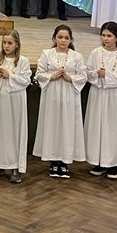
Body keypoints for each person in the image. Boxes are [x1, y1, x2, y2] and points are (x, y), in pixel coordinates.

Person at [32, 24, 86, 179]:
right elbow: (39, 73)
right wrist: (52, 76)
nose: (63, 40)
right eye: (60, 37)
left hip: (69, 96)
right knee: (52, 126)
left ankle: (64, 162)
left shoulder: (77, 56)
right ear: (54, 38)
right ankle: (53, 161)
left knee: (67, 127)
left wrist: (70, 78)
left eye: (66, 38)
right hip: (52, 96)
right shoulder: (46, 54)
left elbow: (83, 76)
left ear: (71, 40)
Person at [84, 21, 117, 180]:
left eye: (109, 36)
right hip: (98, 95)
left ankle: (112, 164)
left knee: (112, 130)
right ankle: (99, 161)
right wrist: (96, 74)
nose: (105, 38)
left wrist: (107, 75)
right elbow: (88, 72)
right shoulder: (96, 53)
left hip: (114, 97)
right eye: (103, 35)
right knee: (98, 128)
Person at [0, 31, 31, 184]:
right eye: (4, 43)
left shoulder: (23, 61)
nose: (6, 46)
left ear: (16, 44)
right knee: (0, 130)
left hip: (16, 100)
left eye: (10, 43)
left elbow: (26, 80)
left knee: (15, 131)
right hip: (1, 99)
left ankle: (15, 167)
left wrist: (10, 76)